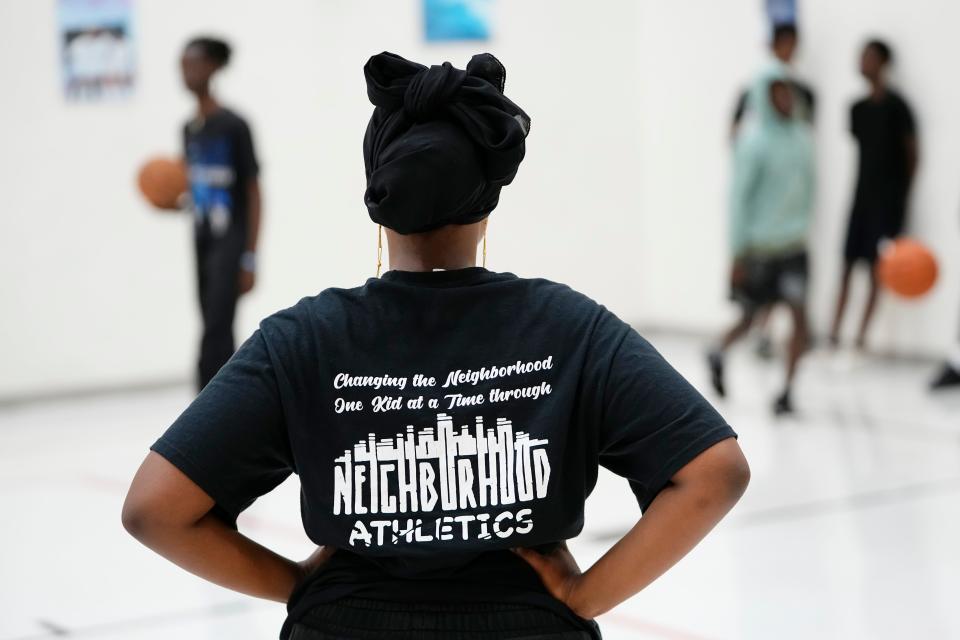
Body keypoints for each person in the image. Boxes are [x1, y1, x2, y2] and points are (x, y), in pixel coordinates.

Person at [121, 52, 750, 640]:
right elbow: (714, 472)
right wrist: (585, 596)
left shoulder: (303, 337)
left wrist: (299, 585)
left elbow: (155, 509)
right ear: (488, 199)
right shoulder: (566, 326)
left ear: (378, 195)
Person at [709, 63, 815, 415]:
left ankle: (787, 391)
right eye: (776, 93)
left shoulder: (802, 138)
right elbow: (739, 200)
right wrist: (737, 254)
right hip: (759, 250)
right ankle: (718, 351)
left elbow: (808, 188)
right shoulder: (752, 144)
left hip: (794, 247)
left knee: (800, 318)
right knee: (751, 318)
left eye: (787, 92)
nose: (785, 99)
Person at [180, 37, 263, 390]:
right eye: (183, 64)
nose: (187, 72)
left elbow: (254, 192)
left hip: (230, 240)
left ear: (215, 67)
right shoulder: (188, 129)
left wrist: (250, 257)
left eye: (195, 63)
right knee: (210, 324)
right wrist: (171, 198)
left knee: (217, 328)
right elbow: (195, 190)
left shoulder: (234, 125)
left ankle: (209, 401)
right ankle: (222, 402)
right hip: (201, 240)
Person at [829, 39, 918, 350]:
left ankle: (859, 340)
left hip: (887, 205)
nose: (863, 62)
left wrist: (901, 199)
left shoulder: (898, 107)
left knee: (877, 273)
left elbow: (911, 154)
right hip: (860, 200)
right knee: (847, 266)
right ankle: (834, 335)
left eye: (869, 57)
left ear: (883, 62)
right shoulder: (856, 108)